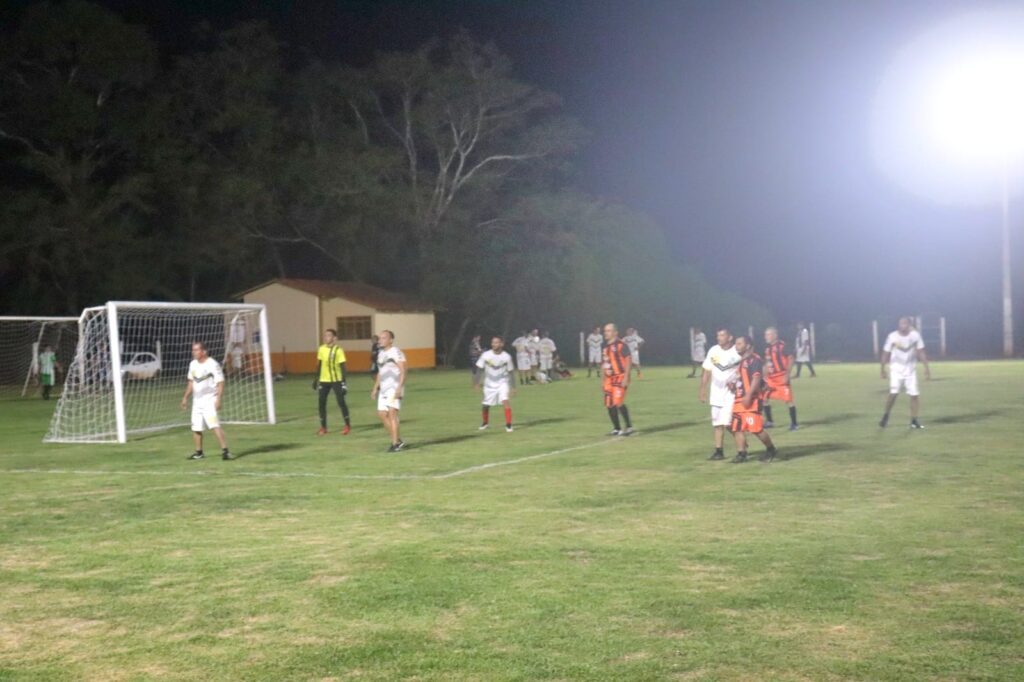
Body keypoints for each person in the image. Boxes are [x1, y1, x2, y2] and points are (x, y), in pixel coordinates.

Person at [728, 336, 779, 463]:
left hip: (751, 401)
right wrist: (734, 386)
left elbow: (756, 378)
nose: (736, 346)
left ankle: (771, 449)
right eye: (736, 344)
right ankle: (741, 453)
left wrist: (749, 395)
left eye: (739, 343)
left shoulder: (754, 360)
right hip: (739, 400)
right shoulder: (741, 362)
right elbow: (743, 379)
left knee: (756, 429)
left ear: (748, 346)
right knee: (736, 427)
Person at [181, 341, 232, 461]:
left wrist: (218, 399)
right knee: (196, 427)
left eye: (196, 350)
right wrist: (185, 398)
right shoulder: (193, 364)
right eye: (193, 350)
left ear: (204, 351)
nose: (193, 352)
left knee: (214, 425)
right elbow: (191, 382)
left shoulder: (212, 364)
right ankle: (199, 453)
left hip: (210, 400)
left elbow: (220, 382)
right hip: (197, 401)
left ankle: (225, 451)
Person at [879, 317, 931, 429]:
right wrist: (882, 369)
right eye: (901, 323)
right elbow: (885, 353)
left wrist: (926, 368)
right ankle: (886, 415)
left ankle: (914, 420)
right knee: (894, 393)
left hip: (911, 370)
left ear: (909, 325)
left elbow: (921, 351)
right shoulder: (892, 336)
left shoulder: (915, 336)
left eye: (905, 323)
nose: (902, 325)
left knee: (914, 395)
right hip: (896, 370)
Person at [699, 327, 742, 461]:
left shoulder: (737, 351)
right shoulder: (713, 350)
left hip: (731, 394)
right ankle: (719, 452)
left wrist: (736, 382)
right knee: (717, 424)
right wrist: (702, 389)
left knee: (730, 423)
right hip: (716, 393)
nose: (719, 338)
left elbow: (743, 370)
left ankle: (741, 450)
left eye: (722, 335)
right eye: (718, 335)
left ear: (730, 337)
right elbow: (707, 370)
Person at [371, 330, 407, 452]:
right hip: (384, 389)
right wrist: (375, 388)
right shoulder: (381, 354)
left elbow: (403, 371)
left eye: (384, 338)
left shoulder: (396, 352)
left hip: (394, 387)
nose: (380, 340)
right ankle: (398, 440)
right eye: (380, 338)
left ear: (391, 340)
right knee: (382, 414)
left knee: (392, 414)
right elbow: (380, 373)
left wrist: (399, 388)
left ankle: (395, 445)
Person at [314, 328, 351, 436]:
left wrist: (343, 383)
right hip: (324, 380)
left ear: (334, 338)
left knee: (341, 402)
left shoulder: (338, 350)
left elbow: (343, 367)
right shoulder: (321, 349)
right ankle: (323, 427)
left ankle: (347, 425)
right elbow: (319, 365)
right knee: (321, 403)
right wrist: (316, 379)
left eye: (329, 335)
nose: (326, 337)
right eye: (325, 335)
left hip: (336, 380)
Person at [475, 336, 516, 432]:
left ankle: (508, 425)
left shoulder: (506, 357)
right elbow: (479, 369)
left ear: (501, 344)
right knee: (486, 404)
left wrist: (513, 387)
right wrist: (477, 382)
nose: (494, 344)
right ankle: (485, 422)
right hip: (489, 384)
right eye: (493, 342)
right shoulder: (486, 355)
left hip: (503, 382)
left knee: (505, 401)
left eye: (496, 342)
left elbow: (511, 372)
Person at [762, 326, 799, 431]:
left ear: (775, 335)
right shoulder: (768, 349)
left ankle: (794, 424)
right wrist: (764, 377)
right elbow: (767, 363)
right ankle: (770, 422)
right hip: (771, 379)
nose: (766, 337)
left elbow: (791, 358)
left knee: (788, 400)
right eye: (765, 334)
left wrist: (787, 374)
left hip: (781, 377)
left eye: (768, 334)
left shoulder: (782, 346)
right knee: (764, 397)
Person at [601, 323, 634, 436]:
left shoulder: (621, 345)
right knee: (609, 404)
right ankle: (617, 428)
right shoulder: (605, 348)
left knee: (618, 402)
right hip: (609, 379)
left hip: (620, 377)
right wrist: (603, 380)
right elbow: (605, 364)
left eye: (609, 330)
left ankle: (629, 426)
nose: (606, 333)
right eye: (605, 331)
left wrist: (626, 377)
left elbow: (628, 360)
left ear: (615, 332)